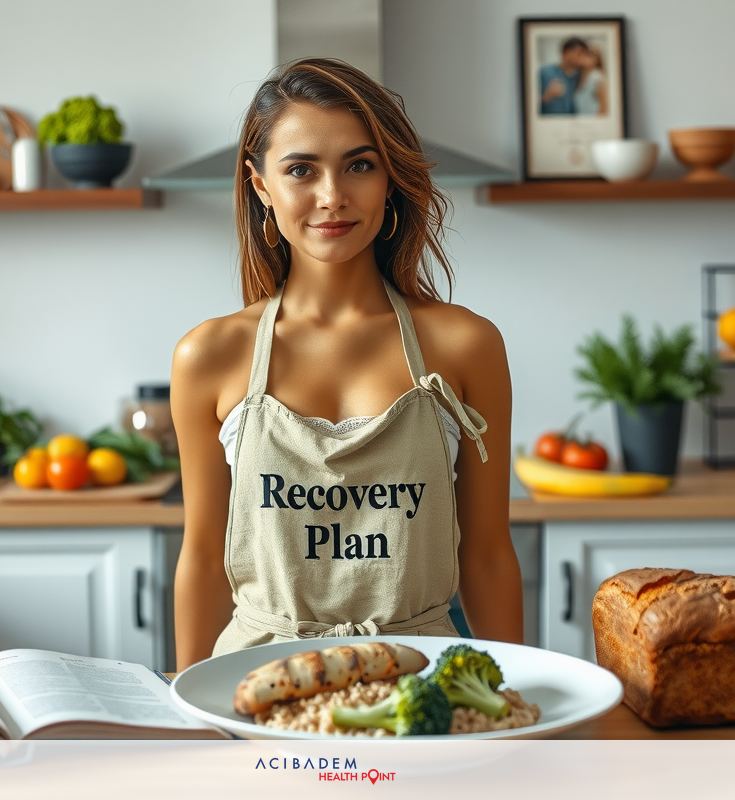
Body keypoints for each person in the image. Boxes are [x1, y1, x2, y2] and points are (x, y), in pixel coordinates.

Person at [170, 58, 523, 670]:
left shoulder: (467, 346)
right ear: (261, 188)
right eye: (301, 170)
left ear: (390, 180)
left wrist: (517, 700)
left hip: (421, 679)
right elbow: (203, 557)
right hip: (259, 685)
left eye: (359, 165)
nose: (332, 196)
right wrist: (190, 714)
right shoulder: (209, 356)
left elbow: (488, 553)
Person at [539, 37, 587, 115]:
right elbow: (529, 104)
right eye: (579, 53)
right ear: (566, 53)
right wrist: (546, 96)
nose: (582, 58)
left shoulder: (579, 76)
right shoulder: (544, 72)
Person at [573, 44, 607, 116]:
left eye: (589, 55)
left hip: (593, 121)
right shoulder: (577, 76)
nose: (584, 58)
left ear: (597, 59)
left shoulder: (598, 77)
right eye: (583, 54)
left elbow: (604, 107)